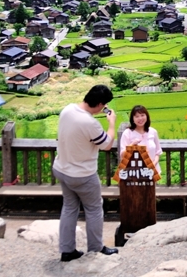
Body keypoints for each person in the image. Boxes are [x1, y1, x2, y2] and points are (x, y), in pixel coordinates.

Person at [52, 84, 119, 262]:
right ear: (98, 104)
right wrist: (111, 123)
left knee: (69, 207)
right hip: (82, 174)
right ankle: (96, 248)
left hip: (62, 168)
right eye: (103, 105)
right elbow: (107, 145)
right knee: (94, 208)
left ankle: (67, 250)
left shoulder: (67, 110)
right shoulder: (90, 123)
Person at [118, 105, 162, 176]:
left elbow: (158, 152)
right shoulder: (127, 133)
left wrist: (152, 165)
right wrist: (132, 144)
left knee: (152, 187)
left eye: (142, 115)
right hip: (134, 174)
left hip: (152, 171)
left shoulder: (153, 132)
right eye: (137, 116)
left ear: (146, 116)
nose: (140, 118)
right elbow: (122, 155)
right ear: (133, 119)